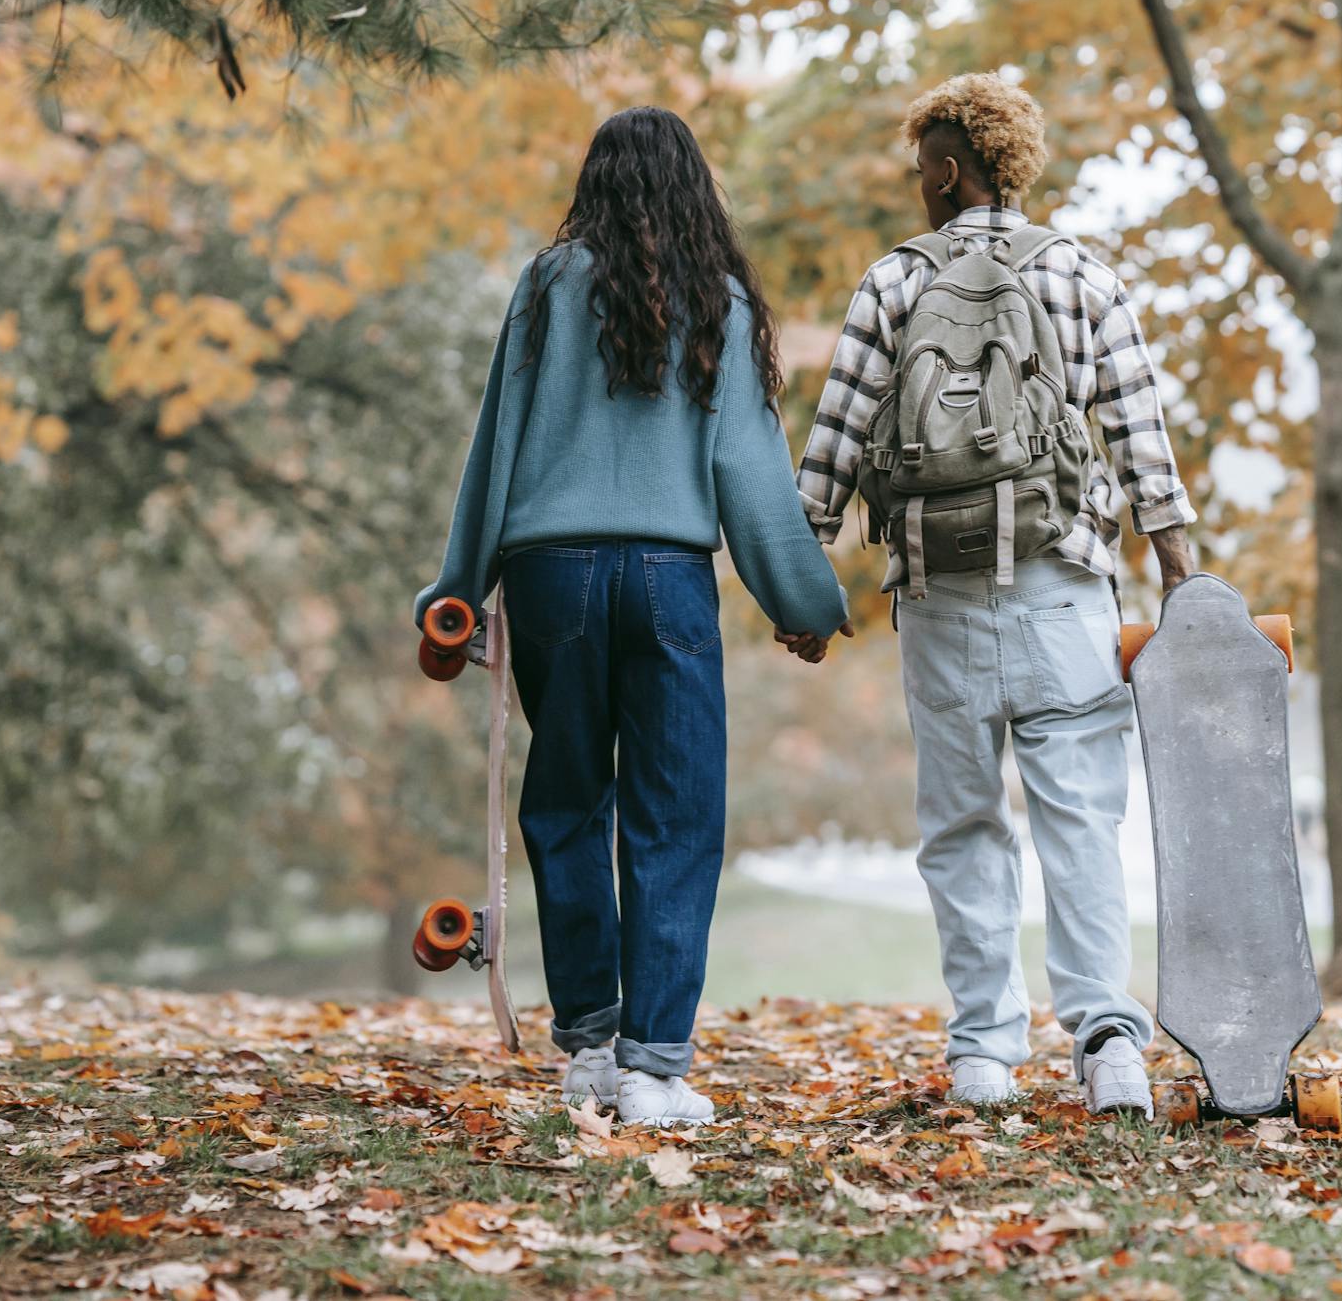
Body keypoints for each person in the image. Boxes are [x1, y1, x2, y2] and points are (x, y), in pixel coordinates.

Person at [414, 106, 851, 1127]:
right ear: (696, 190)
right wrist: (805, 604)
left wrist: (456, 589)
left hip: (550, 575)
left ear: (594, 184)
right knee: (676, 812)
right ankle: (656, 1068)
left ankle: (589, 1050)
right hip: (667, 576)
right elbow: (749, 472)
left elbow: (497, 443)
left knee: (567, 803)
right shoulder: (722, 301)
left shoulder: (546, 285)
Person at [795, 72, 1200, 1116]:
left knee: (963, 822)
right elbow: (1139, 430)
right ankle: (1108, 1042)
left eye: (917, 165)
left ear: (946, 167)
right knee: (1079, 818)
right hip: (1065, 587)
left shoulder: (891, 283)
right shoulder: (1080, 272)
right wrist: (1179, 569)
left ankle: (983, 1050)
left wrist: (803, 576)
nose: (913, 183)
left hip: (939, 591)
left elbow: (833, 441)